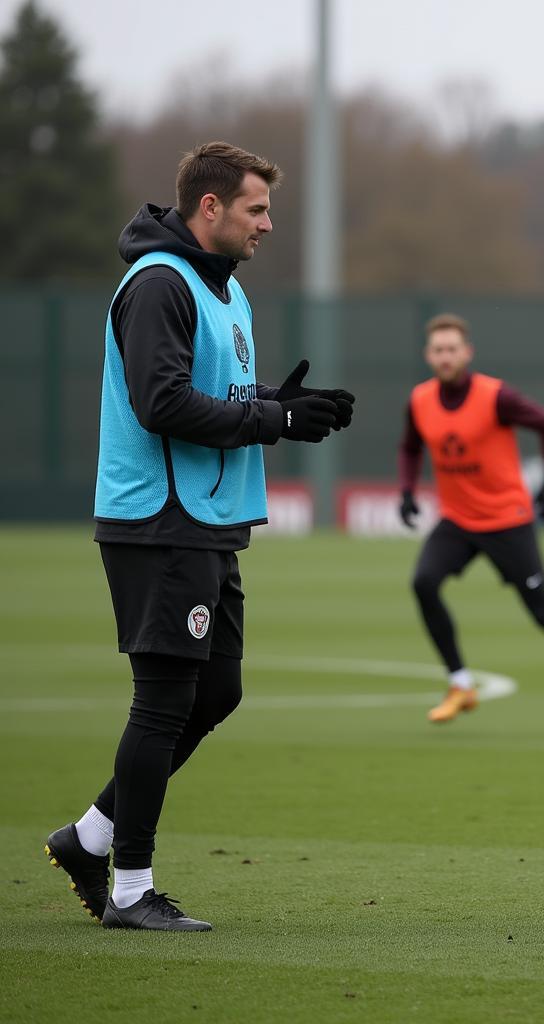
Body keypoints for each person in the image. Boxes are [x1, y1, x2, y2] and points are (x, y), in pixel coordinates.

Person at [44, 141, 355, 932]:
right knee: (162, 704)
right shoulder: (158, 283)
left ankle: (89, 840)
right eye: (256, 209)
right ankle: (129, 890)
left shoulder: (225, 290)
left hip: (208, 523)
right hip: (160, 522)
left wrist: (281, 404)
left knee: (217, 691)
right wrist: (270, 419)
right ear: (208, 208)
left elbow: (214, 393)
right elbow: (162, 403)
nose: (269, 224)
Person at [399, 313, 544, 738]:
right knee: (424, 582)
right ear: (429, 355)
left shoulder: (494, 396)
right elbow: (409, 447)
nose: (445, 357)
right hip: (458, 521)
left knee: (543, 612)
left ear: (467, 353)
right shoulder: (420, 400)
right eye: (438, 350)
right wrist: (407, 490)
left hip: (506, 521)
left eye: (452, 349)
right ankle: (460, 684)